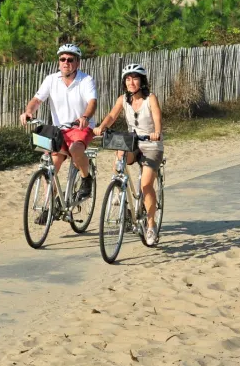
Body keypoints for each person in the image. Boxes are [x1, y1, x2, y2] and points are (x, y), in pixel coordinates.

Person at [93, 63, 164, 246]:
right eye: (128, 79)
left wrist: (156, 132)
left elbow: (157, 117)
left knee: (146, 185)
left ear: (142, 81)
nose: (131, 83)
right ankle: (119, 187)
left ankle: (151, 226)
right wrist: (102, 126)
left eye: (135, 79)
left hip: (151, 144)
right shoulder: (123, 99)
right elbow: (112, 116)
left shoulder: (150, 98)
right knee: (120, 151)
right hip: (133, 141)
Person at [20, 43, 97, 200]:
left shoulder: (86, 80)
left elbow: (92, 102)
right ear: (58, 62)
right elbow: (37, 100)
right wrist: (29, 111)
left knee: (75, 149)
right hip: (59, 130)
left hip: (80, 128)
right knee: (50, 164)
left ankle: (86, 179)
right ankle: (49, 204)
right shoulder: (51, 79)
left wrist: (85, 117)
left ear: (77, 62)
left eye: (70, 59)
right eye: (62, 59)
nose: (66, 62)